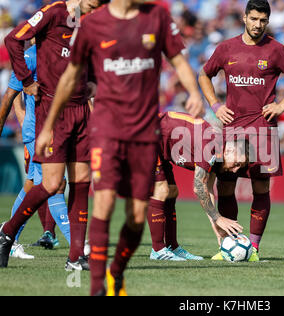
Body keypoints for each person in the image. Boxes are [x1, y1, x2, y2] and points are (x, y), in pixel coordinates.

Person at [35, 0, 204, 296]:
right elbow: (71, 76)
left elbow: (178, 60)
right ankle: (98, 287)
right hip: (106, 129)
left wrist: (194, 92)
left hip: (143, 131)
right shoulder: (92, 24)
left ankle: (116, 271)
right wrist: (48, 125)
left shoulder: (157, 18)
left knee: (138, 216)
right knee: (104, 202)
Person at [198, 0, 284, 261]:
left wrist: (281, 105)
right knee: (225, 188)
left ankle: (254, 248)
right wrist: (215, 105)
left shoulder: (277, 50)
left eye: (263, 21)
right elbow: (204, 75)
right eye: (254, 19)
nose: (258, 25)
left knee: (261, 188)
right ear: (245, 18)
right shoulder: (226, 48)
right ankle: (229, 244)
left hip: (263, 129)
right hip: (232, 129)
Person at [0, 0, 104, 271]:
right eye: (91, 5)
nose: (93, 12)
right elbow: (13, 39)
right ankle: (7, 233)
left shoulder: (90, 22)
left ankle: (75, 258)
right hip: (53, 110)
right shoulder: (53, 12)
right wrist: (26, 80)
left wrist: (92, 81)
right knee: (51, 184)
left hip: (82, 110)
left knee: (82, 183)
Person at [0, 44, 71, 258]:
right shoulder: (29, 57)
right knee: (55, 185)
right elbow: (11, 98)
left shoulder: (63, 51)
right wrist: (24, 122)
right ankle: (79, 247)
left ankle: (8, 236)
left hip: (55, 130)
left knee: (32, 186)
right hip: (37, 133)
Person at [147, 111, 243, 261]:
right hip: (148, 135)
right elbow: (198, 187)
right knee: (161, 190)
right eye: (237, 163)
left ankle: (172, 246)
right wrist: (218, 218)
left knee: (171, 192)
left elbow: (208, 188)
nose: (236, 170)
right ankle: (158, 250)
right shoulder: (211, 145)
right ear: (229, 150)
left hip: (160, 142)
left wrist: (216, 226)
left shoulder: (219, 149)